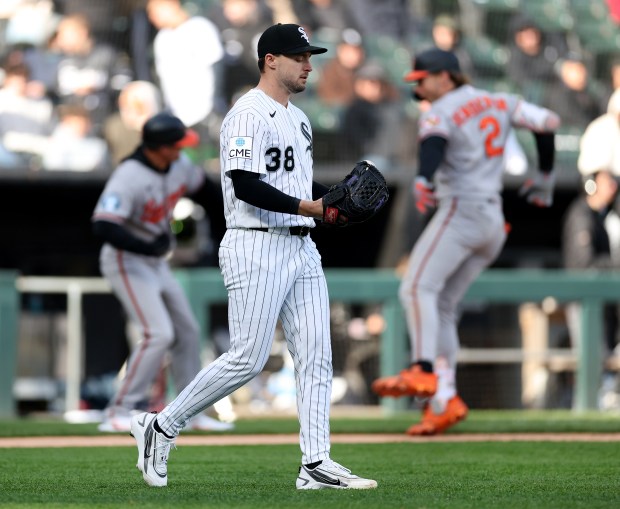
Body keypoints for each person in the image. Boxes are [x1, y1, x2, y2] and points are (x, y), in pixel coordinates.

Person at [129, 23, 377, 490]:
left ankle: (316, 464)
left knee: (317, 355)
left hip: (301, 245)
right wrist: (310, 206)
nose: (308, 64)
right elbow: (245, 183)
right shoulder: (246, 113)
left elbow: (300, 189)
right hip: (255, 241)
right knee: (247, 358)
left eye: (310, 57)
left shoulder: (299, 118)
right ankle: (161, 426)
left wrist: (334, 204)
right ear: (270, 60)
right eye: (299, 56)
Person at [371, 48, 560, 435]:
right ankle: (446, 400)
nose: (419, 87)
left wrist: (423, 179)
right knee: (441, 305)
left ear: (445, 77)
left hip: (461, 210)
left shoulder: (441, 109)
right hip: (492, 220)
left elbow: (434, 146)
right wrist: (545, 174)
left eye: (422, 79)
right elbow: (549, 121)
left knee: (414, 288)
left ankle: (424, 370)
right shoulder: (500, 100)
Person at [92, 111, 233, 433]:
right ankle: (119, 410)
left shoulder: (179, 166)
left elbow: (208, 192)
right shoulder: (129, 175)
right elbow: (103, 224)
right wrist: (147, 247)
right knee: (158, 334)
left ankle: (189, 412)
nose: (182, 149)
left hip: (155, 261)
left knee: (187, 331)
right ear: (159, 147)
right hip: (126, 260)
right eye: (176, 144)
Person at [562, 167, 620, 410]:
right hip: (582, 301)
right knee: (590, 361)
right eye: (606, 183)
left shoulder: (602, 217)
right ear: (591, 185)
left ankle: (597, 411)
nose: (613, 188)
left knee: (602, 359)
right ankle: (583, 414)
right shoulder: (582, 215)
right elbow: (583, 263)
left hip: (599, 302)